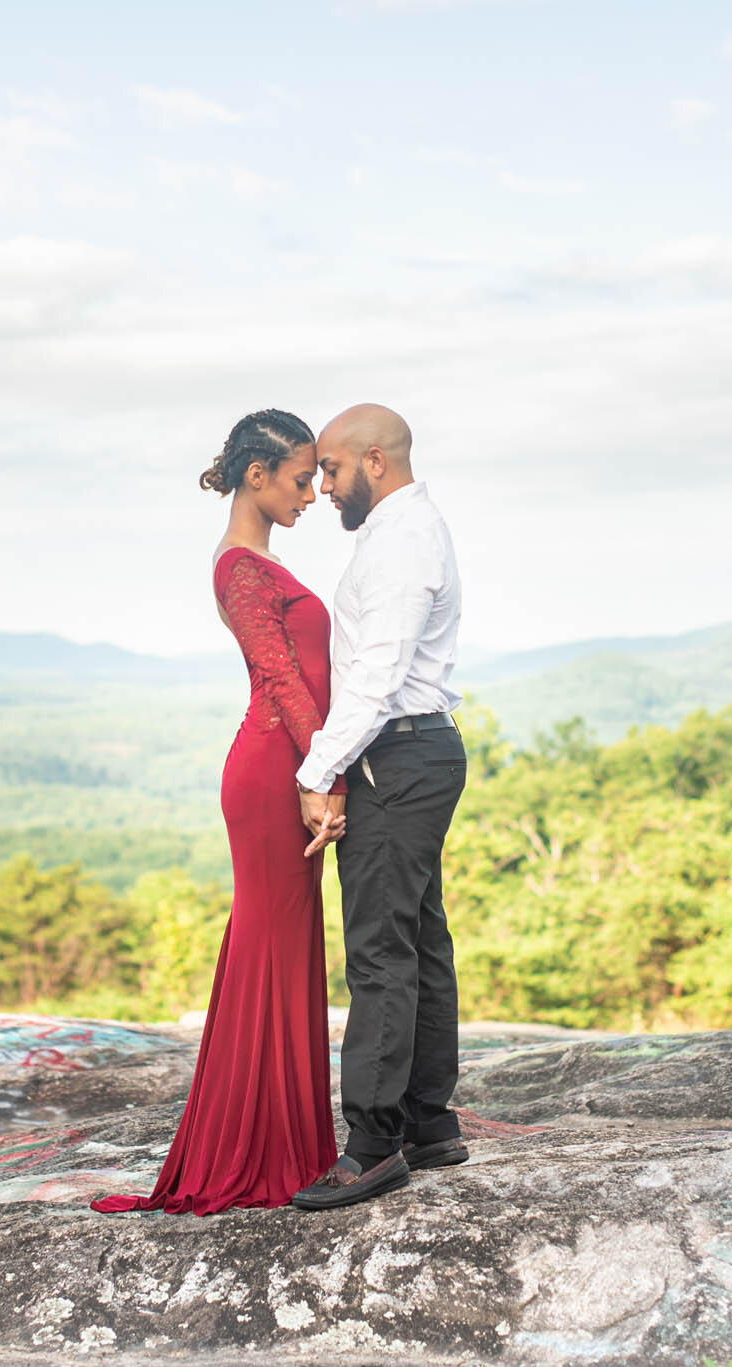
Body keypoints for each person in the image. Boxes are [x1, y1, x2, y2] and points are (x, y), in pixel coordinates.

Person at [90, 409, 344, 1215]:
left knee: (284, 948)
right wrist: (320, 775)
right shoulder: (240, 567)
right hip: (275, 772)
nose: (314, 494)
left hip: (288, 766)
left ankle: (290, 1142)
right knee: (271, 948)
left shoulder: (260, 560)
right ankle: (257, 1149)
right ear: (257, 475)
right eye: (303, 479)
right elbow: (281, 679)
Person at [288, 404, 466, 1212]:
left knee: (379, 952)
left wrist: (317, 770)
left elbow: (379, 672)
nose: (322, 486)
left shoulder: (400, 542)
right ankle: (429, 1122)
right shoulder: (402, 532)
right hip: (411, 751)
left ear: (375, 461)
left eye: (331, 469)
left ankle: (371, 1147)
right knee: (419, 937)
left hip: (394, 753)